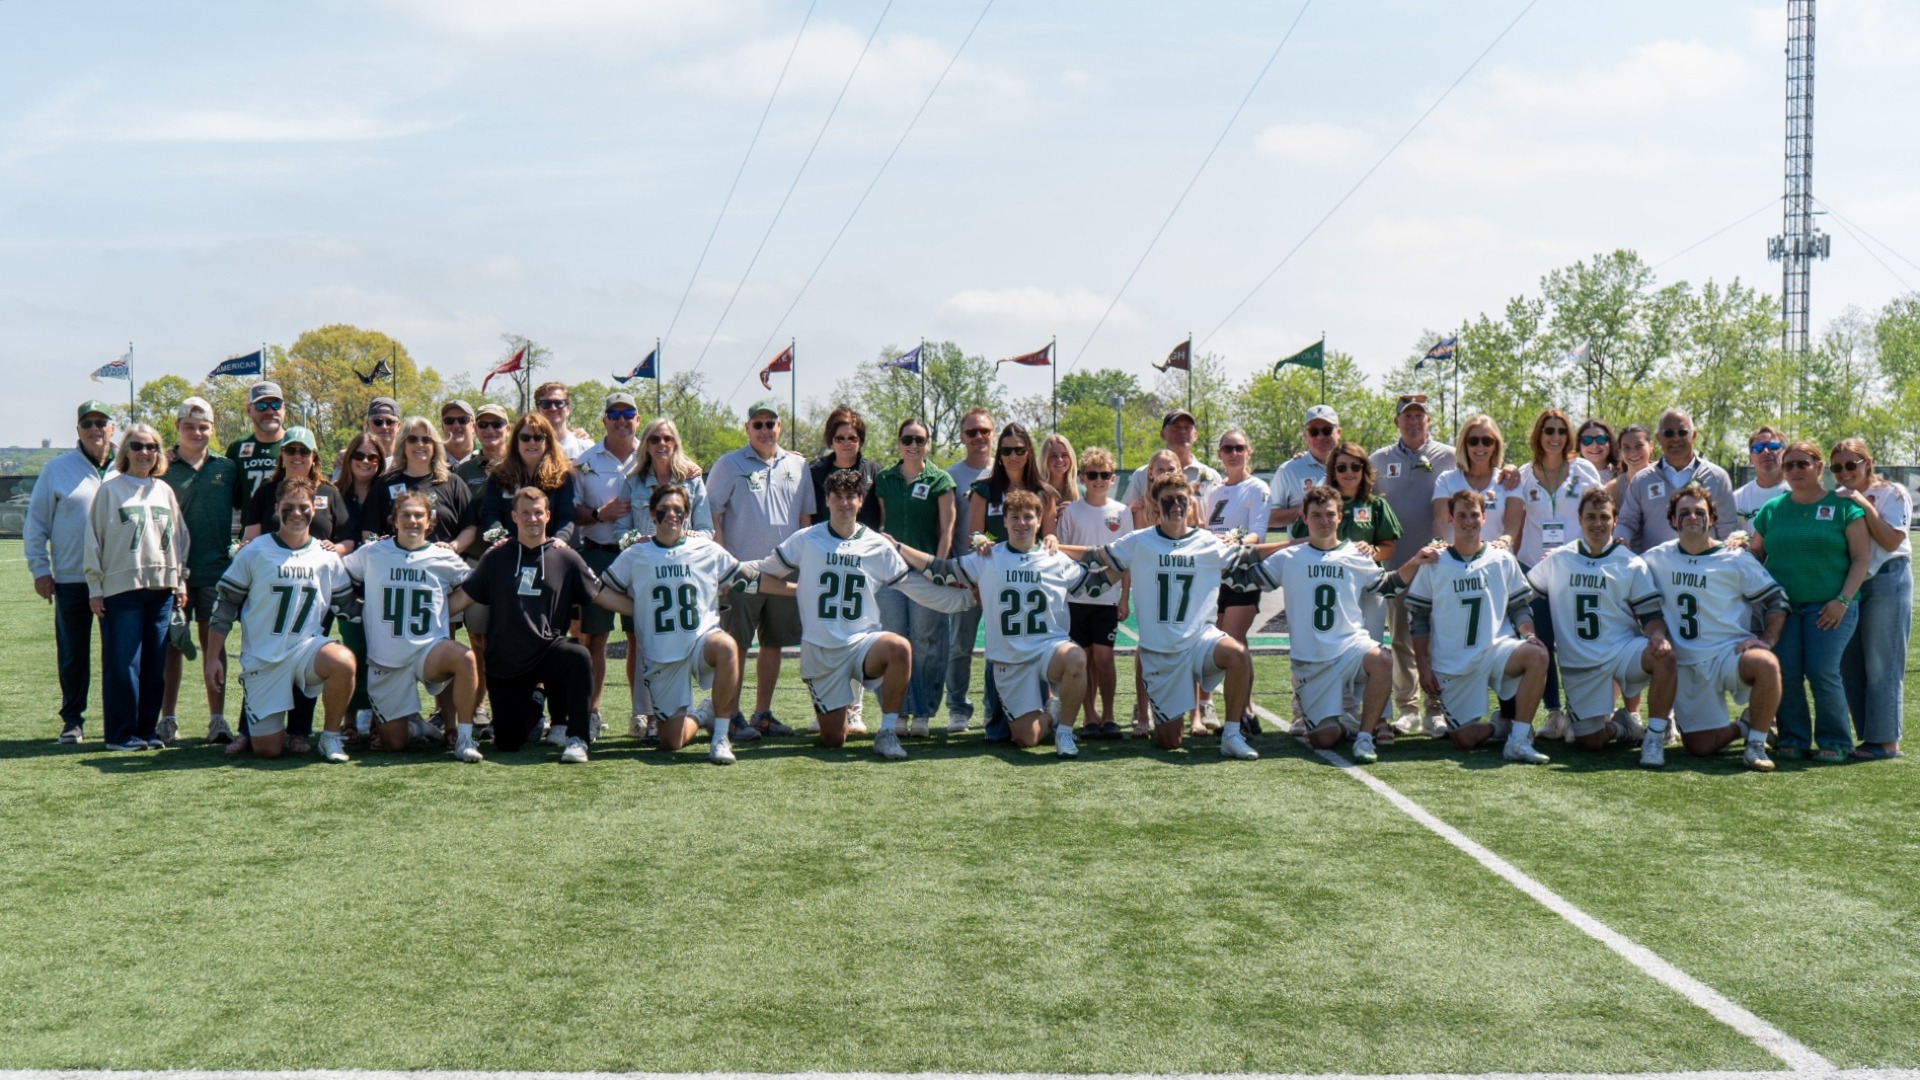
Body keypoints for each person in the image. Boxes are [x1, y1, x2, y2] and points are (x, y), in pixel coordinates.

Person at [1073, 473, 1264, 759]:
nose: (1176, 505)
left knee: (1237, 653)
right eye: (1168, 500)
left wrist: (1301, 543)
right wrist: (1048, 548)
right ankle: (1162, 714)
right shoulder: (1140, 541)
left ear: (1190, 502)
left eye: (1181, 499)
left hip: (1199, 640)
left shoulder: (1207, 541)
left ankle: (1232, 733)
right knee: (1169, 741)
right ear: (1154, 503)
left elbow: (1250, 555)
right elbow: (1094, 556)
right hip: (1161, 651)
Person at [741, 469, 926, 760]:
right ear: (827, 500)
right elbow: (766, 569)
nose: (844, 503)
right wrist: (728, 572)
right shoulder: (808, 538)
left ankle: (888, 732)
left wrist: (959, 592)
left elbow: (913, 585)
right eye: (837, 497)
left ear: (861, 501)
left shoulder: (877, 543)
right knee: (834, 739)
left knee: (900, 647)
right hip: (822, 649)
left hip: (861, 642)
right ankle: (837, 704)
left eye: (850, 496)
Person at [895, 489, 1095, 757]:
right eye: (1015, 517)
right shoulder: (987, 557)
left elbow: (1096, 585)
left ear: (1039, 521)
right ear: (1004, 521)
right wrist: (899, 547)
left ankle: (1065, 734)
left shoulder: (1055, 557)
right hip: (1010, 659)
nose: (1021, 523)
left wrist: (1125, 558)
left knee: (1076, 657)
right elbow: (942, 571)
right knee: (1026, 737)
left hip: (1047, 649)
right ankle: (1052, 713)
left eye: (1028, 517)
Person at [206, 479, 359, 763]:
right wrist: (213, 657)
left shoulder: (325, 557)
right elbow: (225, 606)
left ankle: (330, 736)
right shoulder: (255, 551)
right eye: (289, 507)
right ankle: (258, 727)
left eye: (303, 507)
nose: (297, 513)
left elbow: (348, 607)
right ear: (277, 509)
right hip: (263, 657)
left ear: (314, 509)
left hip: (305, 650)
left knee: (343, 661)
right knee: (268, 750)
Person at [1241, 487, 1398, 761]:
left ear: (1340, 517)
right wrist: (1217, 554)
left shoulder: (1355, 554)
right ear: (1304, 517)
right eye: (1316, 515)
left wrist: (1418, 561)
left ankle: (1365, 737)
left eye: (1329, 514)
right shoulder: (1289, 556)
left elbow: (1387, 585)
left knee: (1382, 659)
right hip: (1311, 660)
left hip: (1349, 649)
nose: (1324, 521)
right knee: (1323, 739)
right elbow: (1243, 579)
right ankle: (1345, 723)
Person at [592, 484, 745, 765]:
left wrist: (796, 587)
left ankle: (721, 736)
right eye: (664, 509)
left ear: (687, 514)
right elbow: (603, 591)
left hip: (700, 639)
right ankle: (704, 713)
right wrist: (640, 608)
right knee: (672, 742)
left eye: (678, 509)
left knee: (726, 647)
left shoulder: (706, 548)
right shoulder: (637, 554)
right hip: (662, 652)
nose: (672, 514)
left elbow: (747, 577)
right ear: (652, 514)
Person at [448, 486, 600, 761]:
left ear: (548, 516)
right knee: (508, 742)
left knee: (577, 655)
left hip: (548, 649)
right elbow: (461, 599)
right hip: (507, 659)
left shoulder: (565, 556)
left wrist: (640, 608)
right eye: (526, 513)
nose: (532, 518)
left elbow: (600, 594)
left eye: (538, 512)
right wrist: (424, 611)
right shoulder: (495, 557)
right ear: (514, 517)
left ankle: (577, 737)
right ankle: (536, 702)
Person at [1640, 484, 1786, 771]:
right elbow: (1624, 580)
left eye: (1699, 512)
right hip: (1686, 662)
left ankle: (1756, 745)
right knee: (1701, 746)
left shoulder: (1734, 558)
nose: (1692, 517)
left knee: (1766, 663)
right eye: (1684, 512)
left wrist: (1767, 640)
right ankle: (1746, 725)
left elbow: (1777, 598)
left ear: (1713, 519)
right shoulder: (1656, 557)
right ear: (1672, 520)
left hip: (1728, 654)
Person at [1401, 490, 1552, 764]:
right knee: (1465, 739)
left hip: (1496, 649)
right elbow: (1419, 617)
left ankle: (1518, 740)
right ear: (1450, 519)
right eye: (1461, 515)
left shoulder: (1501, 558)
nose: (1468, 521)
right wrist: (1423, 665)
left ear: (1484, 517)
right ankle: (1502, 727)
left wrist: (1529, 634)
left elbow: (1518, 606)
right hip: (1453, 661)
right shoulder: (1435, 562)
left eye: (1474, 515)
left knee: (1537, 654)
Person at [1524, 489, 1675, 753]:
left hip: (1622, 650)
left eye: (1604, 517)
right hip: (1582, 662)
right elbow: (1522, 597)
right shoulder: (1559, 559)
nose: (1597, 523)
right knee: (1590, 741)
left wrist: (1657, 635)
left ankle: (1655, 734)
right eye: (1591, 517)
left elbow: (1651, 614)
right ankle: (1623, 726)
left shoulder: (1630, 563)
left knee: (1665, 657)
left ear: (1615, 520)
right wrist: (1526, 631)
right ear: (1579, 519)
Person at [1747, 441, 1870, 762]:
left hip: (1830, 607)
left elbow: (1861, 558)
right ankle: (1793, 738)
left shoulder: (1843, 506)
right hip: (1782, 610)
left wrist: (1842, 600)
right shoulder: (1773, 508)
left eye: (1802, 464)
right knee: (1786, 672)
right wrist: (1737, 551)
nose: (1795, 470)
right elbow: (1756, 552)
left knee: (1822, 671)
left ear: (1819, 467)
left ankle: (1836, 741)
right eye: (1789, 465)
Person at [341, 491, 482, 762]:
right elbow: (338, 575)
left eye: (419, 515)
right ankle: (417, 727)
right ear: (394, 520)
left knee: (465, 658)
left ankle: (464, 737)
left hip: (428, 649)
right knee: (394, 744)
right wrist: (359, 607)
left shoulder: (442, 556)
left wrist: (444, 608)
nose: (412, 520)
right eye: (405, 514)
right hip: (386, 658)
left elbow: (475, 584)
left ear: (429, 521)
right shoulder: (373, 552)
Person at [709, 401, 813, 739]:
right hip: (742, 571)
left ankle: (762, 714)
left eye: (771, 423)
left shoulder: (798, 465)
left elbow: (805, 520)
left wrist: (803, 565)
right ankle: (730, 714)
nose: (765, 430)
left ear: (779, 427)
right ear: (747, 427)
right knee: (736, 644)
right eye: (758, 424)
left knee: (774, 643)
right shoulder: (729, 464)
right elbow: (713, 515)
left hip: (785, 570)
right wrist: (724, 567)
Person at [1502, 409, 1607, 741]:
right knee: (1541, 641)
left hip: (1575, 569)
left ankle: (1580, 712)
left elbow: (1599, 512)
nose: (1555, 437)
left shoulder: (1584, 470)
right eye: (1549, 430)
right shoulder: (1522, 475)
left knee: (1577, 643)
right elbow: (1515, 522)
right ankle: (1554, 713)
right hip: (1534, 570)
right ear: (1538, 434)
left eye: (1561, 431)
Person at [84, 424, 187, 751]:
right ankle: (120, 734)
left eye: (152, 447)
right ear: (126, 451)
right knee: (124, 664)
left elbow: (179, 538)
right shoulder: (110, 490)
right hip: (121, 589)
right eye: (138, 446)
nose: (145, 452)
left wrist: (179, 580)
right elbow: (93, 538)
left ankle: (146, 730)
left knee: (154, 666)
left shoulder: (164, 490)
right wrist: (94, 585)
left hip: (161, 590)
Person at [26, 400, 119, 743]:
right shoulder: (57, 469)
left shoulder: (129, 464)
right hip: (71, 578)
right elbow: (36, 523)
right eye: (87, 424)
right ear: (77, 429)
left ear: (113, 427)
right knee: (73, 655)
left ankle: (120, 720)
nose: (95, 429)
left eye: (101, 422)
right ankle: (72, 720)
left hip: (118, 578)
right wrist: (40, 569)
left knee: (120, 654)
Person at [1371, 393, 1455, 735]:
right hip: (1398, 564)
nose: (1413, 421)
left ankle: (1437, 707)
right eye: (1407, 416)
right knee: (1401, 638)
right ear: (1397, 422)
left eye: (1419, 415)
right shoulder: (1378, 459)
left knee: (1438, 637)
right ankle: (1408, 707)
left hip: (1440, 565)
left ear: (1429, 420)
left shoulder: (1450, 456)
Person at [160, 396, 238, 745]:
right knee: (172, 644)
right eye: (189, 426)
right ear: (177, 426)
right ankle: (168, 718)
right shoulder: (162, 466)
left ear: (212, 428)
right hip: (171, 571)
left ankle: (217, 719)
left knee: (214, 645)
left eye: (203, 426)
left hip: (214, 569)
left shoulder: (226, 468)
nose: (196, 432)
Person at [873, 418, 954, 738]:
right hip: (890, 575)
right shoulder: (884, 479)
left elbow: (947, 530)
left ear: (928, 444)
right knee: (893, 642)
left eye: (919, 440)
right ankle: (896, 712)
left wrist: (939, 572)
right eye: (907, 439)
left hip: (925, 574)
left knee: (925, 643)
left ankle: (922, 713)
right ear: (899, 443)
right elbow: (880, 525)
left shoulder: (940, 480)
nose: (913, 445)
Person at [1830, 438, 1910, 759]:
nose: (1844, 472)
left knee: (1882, 662)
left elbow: (1891, 541)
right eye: (1837, 467)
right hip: (1851, 582)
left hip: (1887, 577)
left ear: (1868, 463)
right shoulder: (1836, 497)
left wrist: (1863, 503)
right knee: (1849, 663)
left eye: (1851, 464)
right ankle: (1869, 737)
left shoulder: (1893, 492)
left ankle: (1887, 741)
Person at [571, 392, 640, 738]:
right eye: (614, 414)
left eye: (628, 413)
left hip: (640, 556)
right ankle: (592, 713)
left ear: (637, 419)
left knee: (639, 636)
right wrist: (600, 513)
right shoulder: (585, 461)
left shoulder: (651, 453)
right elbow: (572, 511)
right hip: (598, 552)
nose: (621, 420)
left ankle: (641, 713)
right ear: (604, 421)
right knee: (594, 637)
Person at [1053, 446, 1129, 739]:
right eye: (1093, 475)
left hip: (1107, 599)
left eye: (1105, 475)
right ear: (1082, 477)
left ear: (1113, 478)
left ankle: (1109, 715)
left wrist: (1124, 597)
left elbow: (1126, 559)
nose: (1099, 480)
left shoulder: (1121, 512)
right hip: (1076, 598)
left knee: (1104, 658)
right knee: (1082, 659)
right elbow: (1061, 553)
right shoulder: (1071, 511)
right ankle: (1089, 715)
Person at [1201, 427, 1270, 733]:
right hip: (1214, 575)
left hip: (1241, 573)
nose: (1233, 453)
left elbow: (1258, 533)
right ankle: (1246, 712)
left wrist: (1234, 540)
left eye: (1239, 448)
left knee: (1233, 642)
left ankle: (1241, 713)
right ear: (1219, 454)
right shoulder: (1215, 490)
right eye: (1228, 448)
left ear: (1248, 452)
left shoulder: (1257, 488)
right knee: (1227, 642)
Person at [942, 407, 996, 735]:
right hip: (965, 576)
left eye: (984, 431)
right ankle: (958, 709)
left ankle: (995, 709)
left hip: (1001, 577)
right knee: (959, 646)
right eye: (972, 432)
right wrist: (955, 574)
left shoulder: (1005, 471)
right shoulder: (951, 476)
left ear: (993, 433)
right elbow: (947, 528)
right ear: (962, 437)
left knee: (999, 647)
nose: (978, 437)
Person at [1617, 409, 1736, 552]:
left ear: (1694, 435)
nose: (1676, 438)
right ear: (1659, 438)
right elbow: (1627, 522)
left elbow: (1727, 528)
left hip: (1704, 564)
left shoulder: (1717, 477)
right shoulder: (1641, 480)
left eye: (1682, 432)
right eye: (1669, 433)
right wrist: (1621, 539)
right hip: (1656, 564)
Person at [358, 417, 476, 553]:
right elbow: (369, 531)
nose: (420, 444)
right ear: (403, 445)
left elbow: (470, 527)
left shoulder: (453, 483)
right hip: (396, 564)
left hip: (441, 563)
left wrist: (453, 546)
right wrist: (378, 547)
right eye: (412, 439)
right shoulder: (385, 484)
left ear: (434, 446)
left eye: (426, 440)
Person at [241, 427, 353, 549]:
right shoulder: (265, 492)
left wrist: (334, 549)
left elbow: (347, 541)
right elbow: (250, 539)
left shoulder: (330, 493)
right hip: (272, 560)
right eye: (291, 450)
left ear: (314, 456)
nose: (297, 456)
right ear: (282, 455)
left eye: (304, 451)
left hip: (318, 561)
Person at [1432, 414, 1515, 546]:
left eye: (1487, 441)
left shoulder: (1508, 481)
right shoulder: (1446, 480)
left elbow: (1513, 525)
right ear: (1464, 444)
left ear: (1495, 445)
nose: (1480, 447)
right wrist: (1439, 547)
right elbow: (1440, 522)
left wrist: (1503, 542)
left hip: (1496, 556)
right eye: (1473, 441)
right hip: (1456, 557)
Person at [1120, 408, 1221, 511]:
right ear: (1162, 434)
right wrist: (1130, 509)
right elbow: (1124, 514)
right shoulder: (1142, 475)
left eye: (1187, 427)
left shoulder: (1211, 477)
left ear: (1195, 435)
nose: (1182, 432)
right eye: (1176, 428)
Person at [1267, 404, 1341, 532]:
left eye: (1327, 430)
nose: (1320, 437)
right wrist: (1303, 511)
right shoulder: (1289, 470)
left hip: (1350, 544)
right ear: (1305, 435)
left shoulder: (1354, 467)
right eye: (1313, 431)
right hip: (1305, 544)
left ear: (1339, 433)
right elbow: (1269, 518)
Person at [809, 405, 884, 529]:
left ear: (860, 442)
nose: (846, 443)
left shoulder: (875, 472)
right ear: (831, 441)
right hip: (823, 540)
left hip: (863, 540)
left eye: (852, 438)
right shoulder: (814, 472)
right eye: (840, 439)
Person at [227, 380, 287, 510]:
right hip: (250, 523)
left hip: (288, 523)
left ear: (284, 408)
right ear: (249, 410)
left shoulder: (297, 445)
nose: (269, 411)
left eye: (276, 405)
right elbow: (220, 477)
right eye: (261, 406)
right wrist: (214, 476)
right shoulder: (237, 447)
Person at [1732, 425, 1787, 530]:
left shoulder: (1799, 494)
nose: (1766, 451)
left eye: (1773, 446)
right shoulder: (1737, 500)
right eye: (1758, 448)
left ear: (1785, 454)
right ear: (1750, 459)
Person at [531, 381, 593, 459]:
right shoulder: (529, 448)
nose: (553, 408)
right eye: (546, 403)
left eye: (559, 403)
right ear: (538, 409)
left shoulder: (585, 448)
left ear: (568, 409)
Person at [1574, 418, 1620, 484]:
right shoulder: (1569, 474)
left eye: (1600, 439)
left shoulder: (1623, 475)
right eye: (1587, 440)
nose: (1594, 445)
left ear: (1610, 442)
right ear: (1579, 445)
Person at [1042, 434, 1079, 506]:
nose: (1060, 460)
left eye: (1064, 455)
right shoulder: (1035, 492)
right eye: (1054, 456)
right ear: (1045, 459)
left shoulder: (1082, 492)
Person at [440, 399, 476, 468]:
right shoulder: (431, 459)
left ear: (473, 427)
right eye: (449, 421)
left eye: (463, 420)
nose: (456, 426)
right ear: (442, 427)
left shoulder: (486, 458)